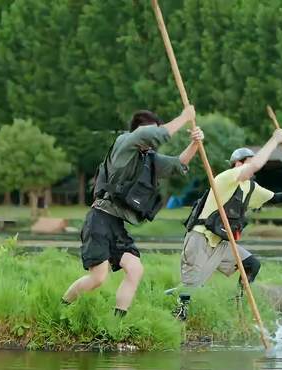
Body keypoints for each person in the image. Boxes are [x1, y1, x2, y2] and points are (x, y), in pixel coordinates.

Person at [61, 106, 202, 317]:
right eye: (151, 131)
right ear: (140, 131)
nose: (153, 138)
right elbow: (153, 134)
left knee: (135, 269)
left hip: (116, 224)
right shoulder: (125, 143)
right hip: (99, 218)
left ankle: (117, 321)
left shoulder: (148, 158)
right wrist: (184, 117)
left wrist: (195, 143)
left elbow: (177, 164)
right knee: (98, 278)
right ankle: (62, 306)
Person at [169, 130, 282, 318]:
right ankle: (174, 308)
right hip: (200, 237)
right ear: (238, 164)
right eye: (248, 163)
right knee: (191, 289)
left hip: (223, 243)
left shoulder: (250, 187)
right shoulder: (227, 177)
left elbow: (273, 198)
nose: (252, 168)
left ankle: (239, 301)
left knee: (252, 264)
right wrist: (275, 139)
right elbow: (257, 164)